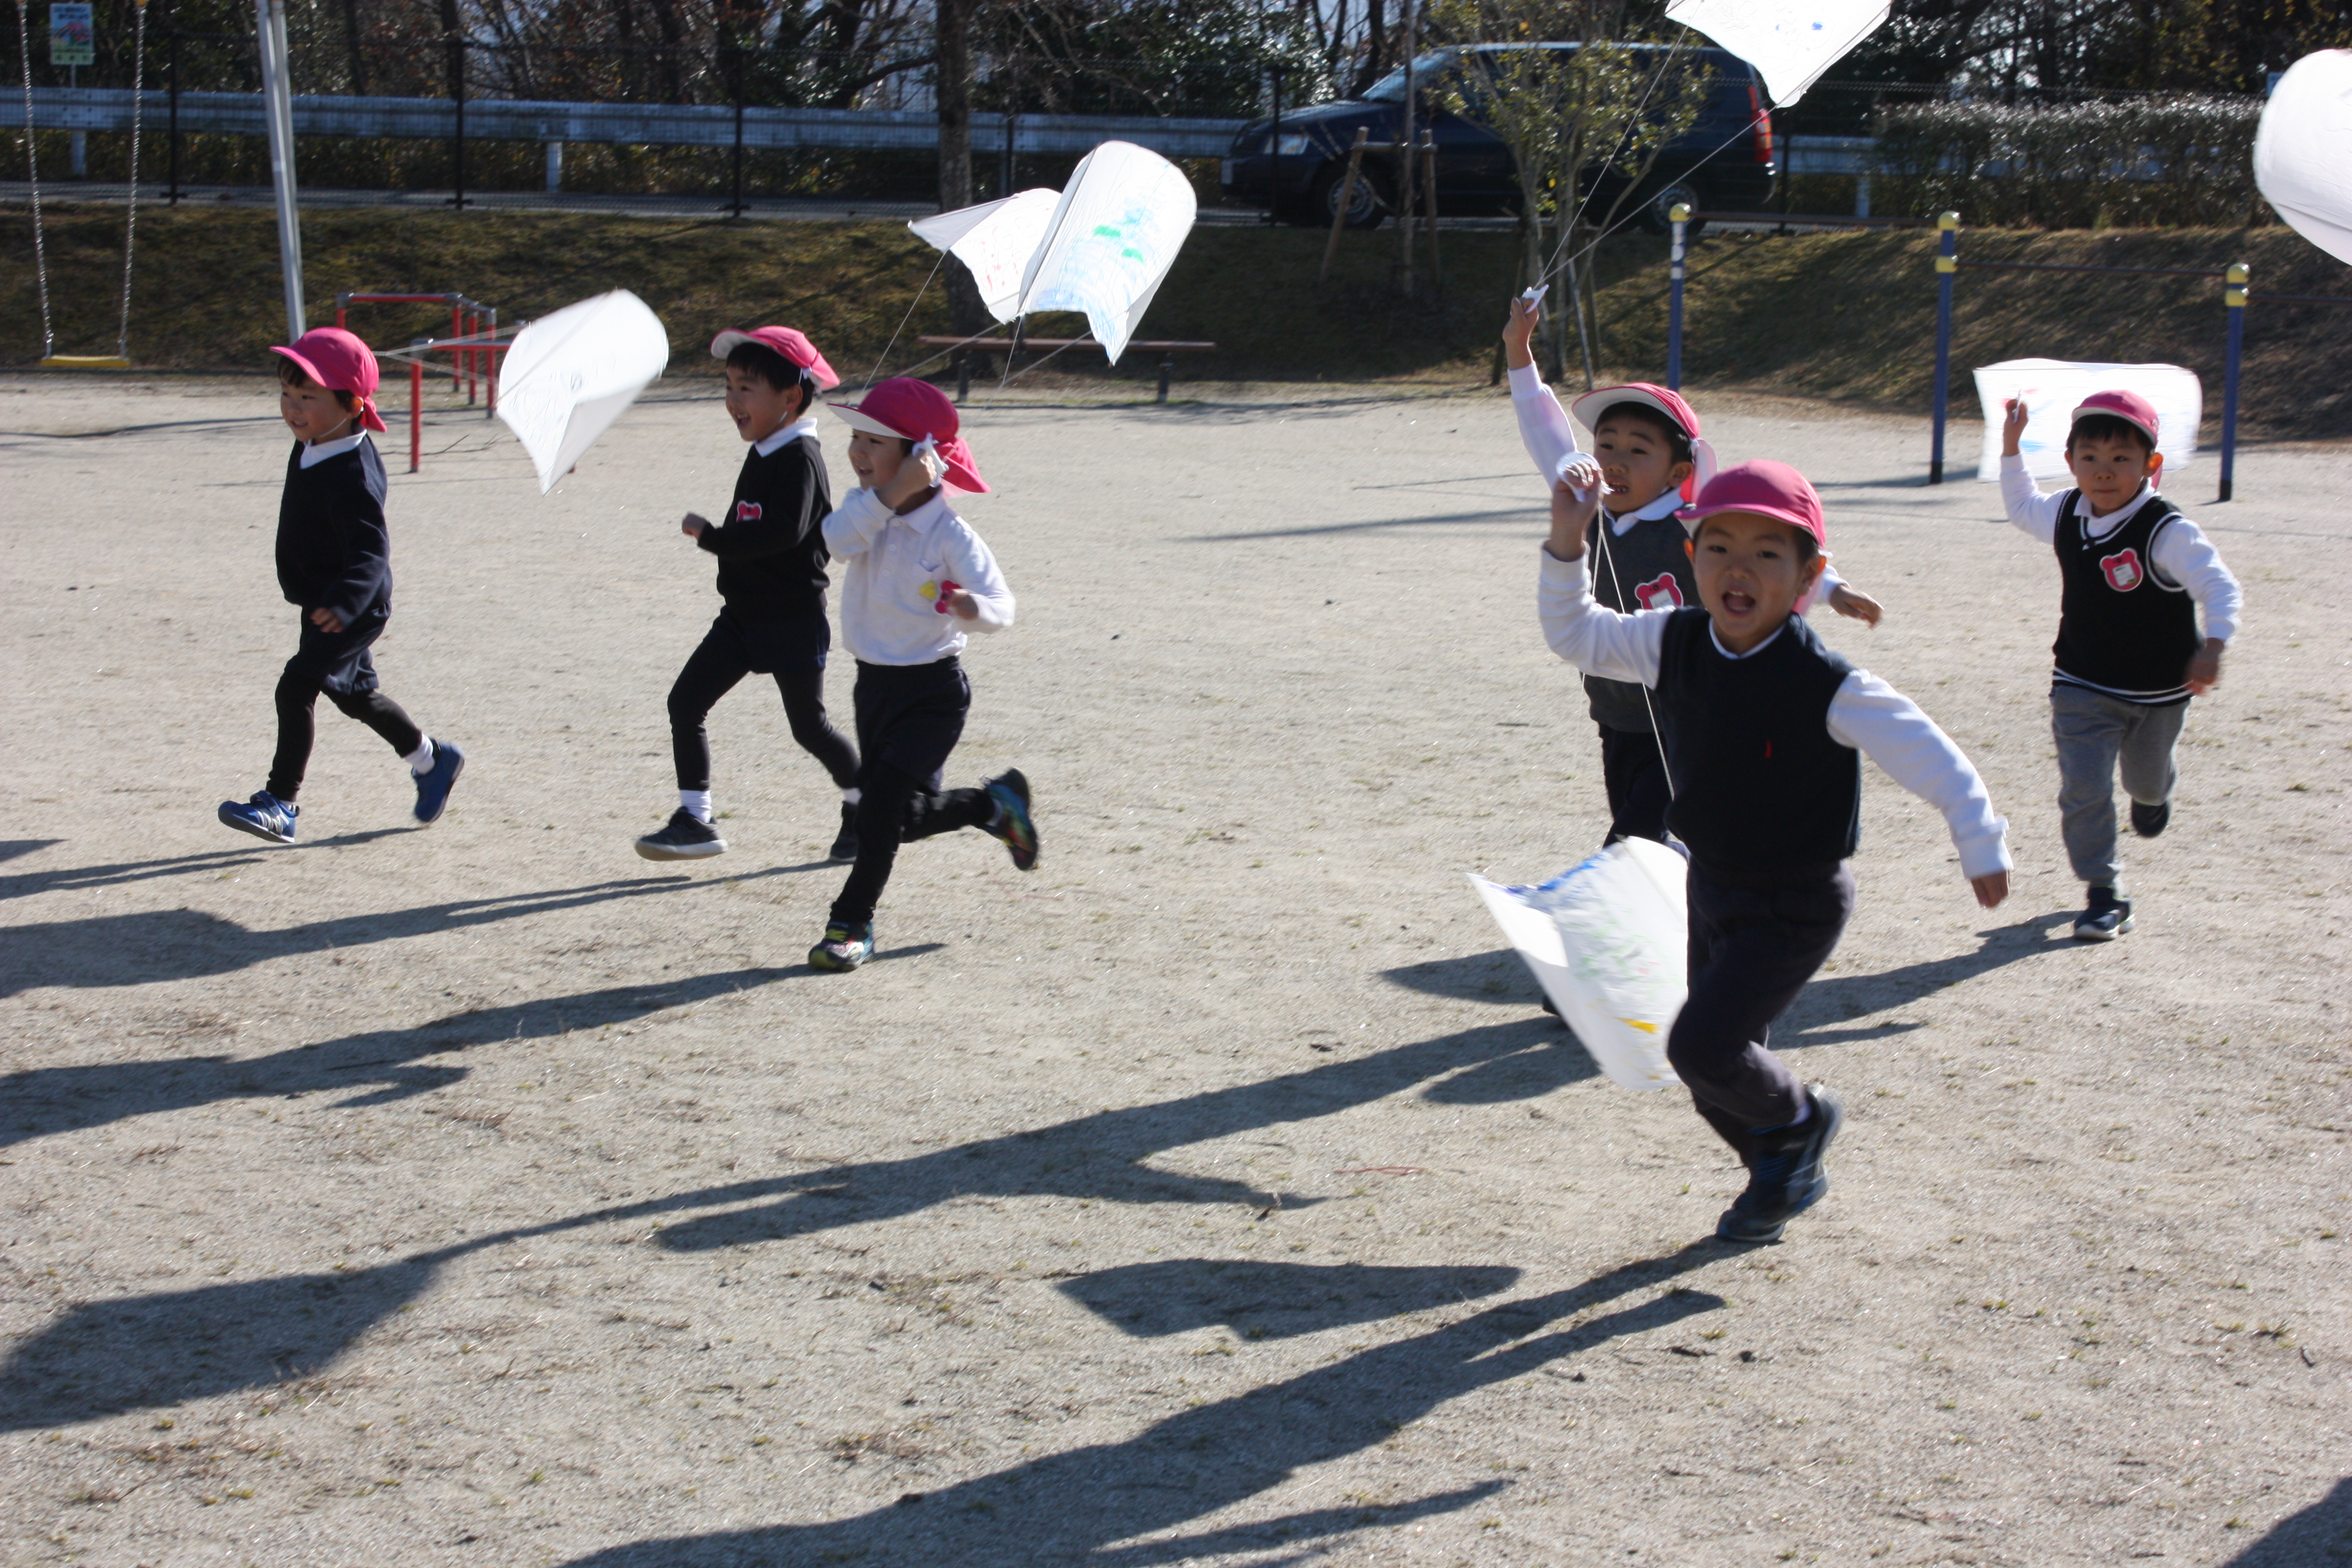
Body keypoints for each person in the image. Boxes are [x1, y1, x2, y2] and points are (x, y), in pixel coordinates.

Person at [1538, 459, 2012, 1243]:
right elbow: (1576, 634)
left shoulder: (1825, 682)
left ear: (1807, 576)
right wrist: (1568, 541)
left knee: (1704, 1046)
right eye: (1719, 547)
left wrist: (1980, 839)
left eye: (1768, 553)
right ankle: (1784, 1169)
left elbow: (1929, 752)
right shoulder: (1672, 641)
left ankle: (1804, 1120)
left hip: (1795, 902)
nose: (1739, 568)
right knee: (1712, 1078)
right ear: (1691, 561)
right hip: (1713, 888)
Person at [1500, 296, 1885, 847]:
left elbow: (1761, 555)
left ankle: (1636, 914)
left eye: (1637, 451)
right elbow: (1545, 433)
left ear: (1677, 471)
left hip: (1692, 711)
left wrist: (1833, 589)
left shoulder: (1692, 525)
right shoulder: (1582, 505)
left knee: (1636, 840)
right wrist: (1519, 350)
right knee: (1657, 834)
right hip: (1618, 711)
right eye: (1606, 445)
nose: (1614, 461)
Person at [807, 377, 1037, 972]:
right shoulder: (865, 510)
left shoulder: (950, 533)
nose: (856, 453)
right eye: (855, 438)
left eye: (873, 442)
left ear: (920, 456)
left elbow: (1002, 606)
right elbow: (831, 543)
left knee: (876, 813)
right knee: (901, 820)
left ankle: (850, 923)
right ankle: (994, 805)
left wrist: (972, 610)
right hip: (873, 686)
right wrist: (889, 495)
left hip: (933, 693)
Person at [1999, 391, 2240, 941]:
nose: (2103, 473)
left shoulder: (2166, 530)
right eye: (2090, 458)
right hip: (2081, 681)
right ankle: (2104, 892)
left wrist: (2215, 646)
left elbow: (2219, 586)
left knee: (2145, 781)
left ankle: (2153, 797)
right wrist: (2012, 448)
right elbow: (2020, 507)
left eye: (2120, 459)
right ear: (2070, 462)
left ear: (2151, 466)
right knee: (2083, 789)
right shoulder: (2065, 512)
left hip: (2158, 692)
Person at [218, 328, 462, 844]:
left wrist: (346, 601)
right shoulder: (312, 444)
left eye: (308, 397)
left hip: (351, 606)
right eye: (287, 395)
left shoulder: (352, 472)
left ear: (352, 405)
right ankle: (432, 759)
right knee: (354, 696)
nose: (293, 408)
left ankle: (280, 803)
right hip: (323, 602)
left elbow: (372, 551)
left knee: (296, 686)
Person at [636, 326, 863, 864]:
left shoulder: (801, 456)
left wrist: (712, 537)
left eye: (747, 389)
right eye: (730, 386)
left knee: (809, 727)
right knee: (685, 702)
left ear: (790, 398)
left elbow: (782, 531)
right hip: (742, 616)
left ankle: (865, 804)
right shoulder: (766, 448)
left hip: (791, 619)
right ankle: (695, 819)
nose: (733, 400)